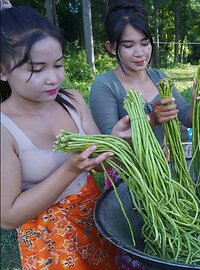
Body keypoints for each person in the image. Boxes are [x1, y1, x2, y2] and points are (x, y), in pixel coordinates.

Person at [0, 6, 128, 269]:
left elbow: (101, 162)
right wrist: (70, 169)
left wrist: (114, 140)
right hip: (50, 245)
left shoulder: (71, 100)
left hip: (97, 225)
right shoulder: (4, 128)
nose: (53, 78)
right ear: (2, 70)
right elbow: (8, 217)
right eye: (37, 69)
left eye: (58, 65)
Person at [89, 0, 192, 168]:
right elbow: (110, 146)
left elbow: (187, 117)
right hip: (127, 174)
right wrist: (151, 121)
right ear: (111, 47)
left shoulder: (160, 78)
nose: (140, 53)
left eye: (145, 44)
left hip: (162, 168)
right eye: (129, 45)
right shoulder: (105, 85)